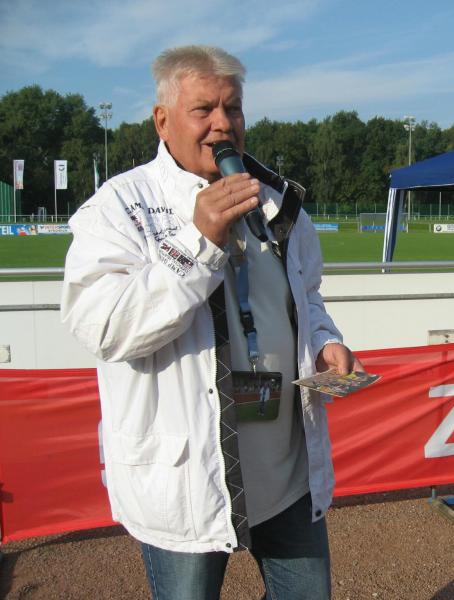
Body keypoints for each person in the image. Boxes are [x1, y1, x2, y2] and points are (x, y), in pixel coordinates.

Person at [61, 45, 362, 600]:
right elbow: (104, 328)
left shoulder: (278, 202)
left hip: (286, 473)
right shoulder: (119, 207)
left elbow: (307, 298)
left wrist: (325, 341)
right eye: (203, 109)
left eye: (233, 108)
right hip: (185, 485)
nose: (223, 124)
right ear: (162, 121)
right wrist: (199, 242)